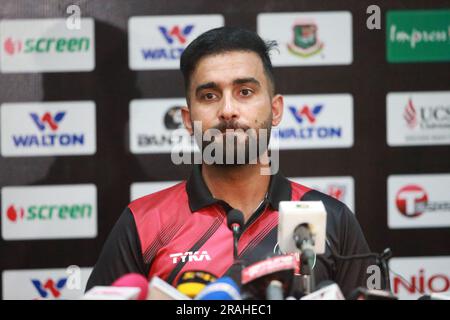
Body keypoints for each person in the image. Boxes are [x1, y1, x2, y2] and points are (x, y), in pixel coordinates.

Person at [86, 27, 376, 297]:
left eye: (245, 92)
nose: (227, 110)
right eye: (209, 95)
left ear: (275, 110)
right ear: (188, 120)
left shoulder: (333, 219)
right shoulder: (143, 223)